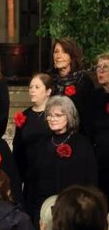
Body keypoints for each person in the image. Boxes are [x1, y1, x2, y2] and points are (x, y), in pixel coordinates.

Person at [25, 95, 98, 223]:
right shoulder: (41, 144)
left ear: (69, 117)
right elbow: (32, 181)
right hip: (43, 208)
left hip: (74, 209)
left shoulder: (82, 144)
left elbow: (90, 179)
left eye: (58, 115)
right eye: (50, 115)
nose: (52, 119)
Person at [12, 73, 53, 193]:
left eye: (37, 87)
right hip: (30, 175)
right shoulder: (24, 115)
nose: (32, 91)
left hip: (51, 173)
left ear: (48, 91)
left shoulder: (56, 114)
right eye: (30, 87)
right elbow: (18, 148)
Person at [48, 37, 92, 120]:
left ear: (72, 56)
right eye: (56, 52)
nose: (58, 56)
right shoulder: (50, 80)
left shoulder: (82, 79)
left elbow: (89, 112)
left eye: (64, 52)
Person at [86, 52, 109, 199]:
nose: (100, 70)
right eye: (98, 67)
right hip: (99, 159)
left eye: (105, 67)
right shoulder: (94, 97)